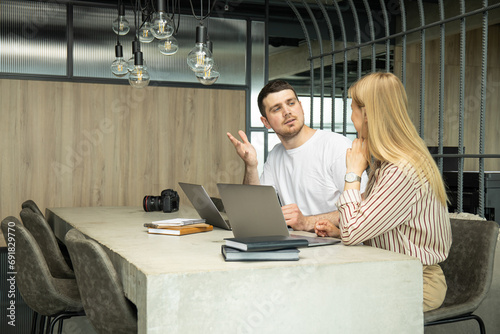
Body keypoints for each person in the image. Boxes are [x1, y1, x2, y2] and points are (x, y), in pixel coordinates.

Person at [314, 72, 452, 312]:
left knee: (329, 304)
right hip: (388, 272)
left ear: (367, 114)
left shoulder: (402, 169)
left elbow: (353, 231)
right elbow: (367, 223)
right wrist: (340, 231)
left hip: (415, 283)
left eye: (353, 108)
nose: (351, 116)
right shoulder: (388, 164)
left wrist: (353, 173)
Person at [227, 80, 366, 232]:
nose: (287, 112)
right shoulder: (275, 155)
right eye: (276, 108)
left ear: (301, 107)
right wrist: (251, 165)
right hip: (298, 245)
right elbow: (255, 208)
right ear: (266, 122)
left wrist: (307, 222)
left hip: (338, 247)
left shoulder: (336, 146)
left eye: (291, 103)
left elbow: (363, 204)